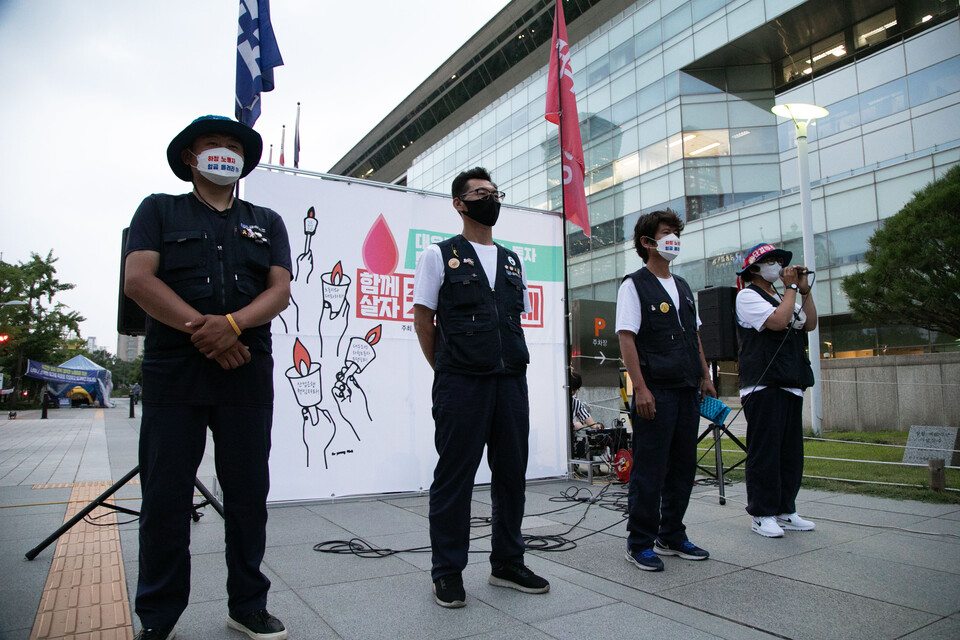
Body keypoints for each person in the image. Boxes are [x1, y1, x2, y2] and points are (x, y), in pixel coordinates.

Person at [124, 115, 292, 640]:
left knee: (247, 496)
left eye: (232, 145)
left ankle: (247, 603)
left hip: (245, 371)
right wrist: (205, 331)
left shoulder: (267, 219)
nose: (223, 151)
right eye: (211, 144)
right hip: (175, 373)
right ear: (190, 158)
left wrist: (234, 325)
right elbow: (138, 279)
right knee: (165, 498)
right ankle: (158, 616)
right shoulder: (158, 209)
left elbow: (280, 290)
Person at [413, 167, 550, 609]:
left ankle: (507, 562)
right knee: (455, 477)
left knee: (511, 476)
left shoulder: (513, 260)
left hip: (510, 381)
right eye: (479, 193)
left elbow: (513, 319)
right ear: (459, 203)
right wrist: (447, 368)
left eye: (494, 193)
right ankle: (447, 572)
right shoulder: (439, 255)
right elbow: (423, 320)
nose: (489, 199)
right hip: (461, 383)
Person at [616, 209, 717, 572]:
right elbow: (626, 338)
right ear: (647, 242)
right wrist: (639, 388)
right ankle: (639, 542)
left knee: (682, 467)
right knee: (650, 469)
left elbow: (695, 335)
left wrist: (704, 375)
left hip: (688, 388)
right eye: (666, 232)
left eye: (676, 231)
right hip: (655, 392)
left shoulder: (685, 287)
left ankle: (671, 533)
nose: (673, 237)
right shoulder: (634, 285)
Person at [735, 243, 817, 538]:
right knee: (765, 452)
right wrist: (792, 288)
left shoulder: (784, 296)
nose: (776, 265)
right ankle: (762, 512)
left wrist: (802, 290)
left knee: (790, 453)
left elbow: (809, 323)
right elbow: (778, 321)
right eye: (770, 261)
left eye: (779, 261)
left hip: (791, 383)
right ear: (754, 268)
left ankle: (785, 509)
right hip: (763, 385)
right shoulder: (747, 296)